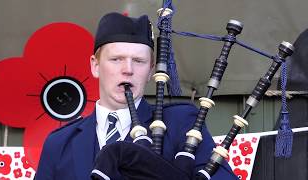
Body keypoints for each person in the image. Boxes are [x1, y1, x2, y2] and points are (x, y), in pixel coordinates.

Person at [35, 12, 237, 180]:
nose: (128, 69)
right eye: (116, 59)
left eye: (139, 61)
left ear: (150, 71)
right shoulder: (60, 143)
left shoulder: (181, 124)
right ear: (95, 66)